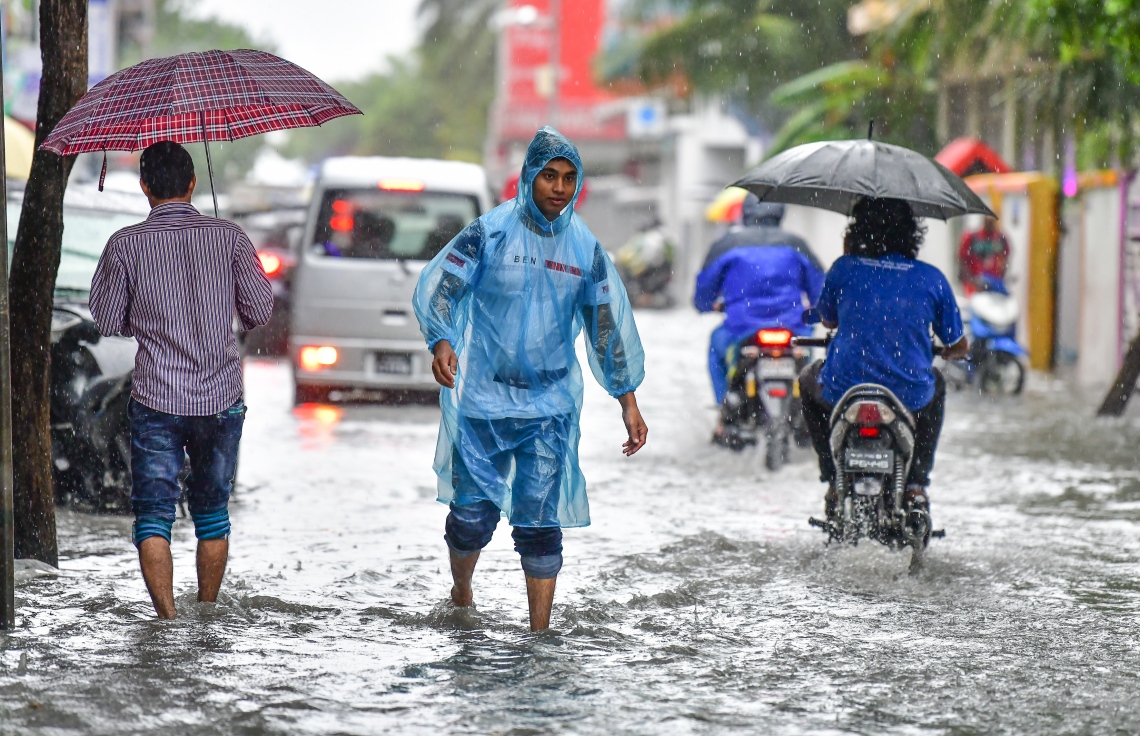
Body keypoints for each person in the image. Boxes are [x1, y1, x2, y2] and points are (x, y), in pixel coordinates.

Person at [412, 127, 647, 632]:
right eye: (549, 176)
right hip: (483, 403)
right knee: (472, 520)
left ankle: (539, 635)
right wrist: (443, 340)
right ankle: (462, 593)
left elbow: (606, 326)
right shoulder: (488, 232)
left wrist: (627, 399)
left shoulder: (585, 249)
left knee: (540, 527)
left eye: (568, 178)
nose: (559, 188)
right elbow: (442, 288)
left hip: (549, 408)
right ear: (529, 177)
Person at [90, 140, 273, 619]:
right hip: (220, 398)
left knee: (153, 515)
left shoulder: (124, 245)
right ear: (193, 184)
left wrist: (146, 321)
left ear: (144, 186)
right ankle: (207, 615)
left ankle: (168, 621)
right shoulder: (230, 237)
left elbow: (108, 320)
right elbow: (258, 310)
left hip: (156, 399)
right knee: (212, 514)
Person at [798, 197, 969, 518]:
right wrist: (948, 350)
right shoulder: (930, 278)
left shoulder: (844, 268)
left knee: (808, 379)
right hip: (908, 393)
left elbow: (829, 320)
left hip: (844, 387)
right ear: (911, 236)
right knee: (939, 383)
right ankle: (917, 484)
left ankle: (832, 478)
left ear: (857, 231)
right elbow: (959, 345)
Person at [694, 195, 825, 431]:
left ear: (745, 213)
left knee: (715, 347)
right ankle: (807, 410)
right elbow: (820, 292)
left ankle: (724, 412)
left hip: (741, 329)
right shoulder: (797, 244)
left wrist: (706, 305)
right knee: (807, 356)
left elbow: (703, 294)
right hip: (792, 328)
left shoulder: (726, 245)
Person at [958, 216, 1010, 294]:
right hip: (974, 284)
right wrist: (971, 280)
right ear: (984, 222)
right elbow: (962, 260)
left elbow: (1005, 259)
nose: (990, 225)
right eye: (988, 222)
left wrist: (1000, 276)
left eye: (992, 222)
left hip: (995, 284)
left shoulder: (1000, 239)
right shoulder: (972, 238)